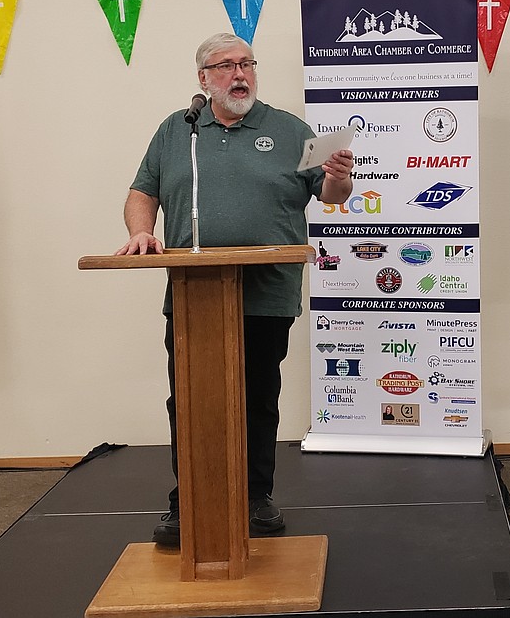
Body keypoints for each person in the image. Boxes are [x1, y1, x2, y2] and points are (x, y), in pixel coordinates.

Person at [115, 32, 354, 546]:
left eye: (246, 63)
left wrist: (340, 177)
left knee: (257, 397)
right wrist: (140, 231)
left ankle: (255, 497)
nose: (239, 74)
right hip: (193, 294)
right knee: (190, 400)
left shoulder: (290, 130)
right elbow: (143, 193)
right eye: (225, 66)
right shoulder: (179, 131)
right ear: (203, 79)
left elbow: (331, 195)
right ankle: (189, 500)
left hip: (266, 291)